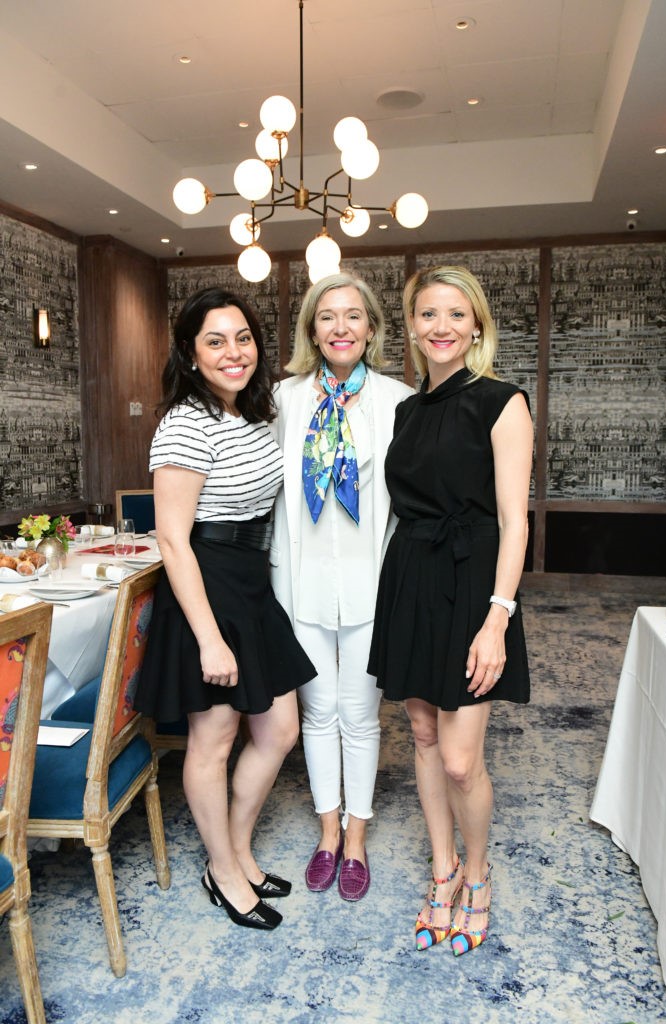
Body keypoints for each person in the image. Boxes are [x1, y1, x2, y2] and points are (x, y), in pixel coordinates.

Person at [134, 286, 315, 932]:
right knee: (212, 742)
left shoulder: (252, 412)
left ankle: (233, 851)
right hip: (206, 586)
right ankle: (223, 868)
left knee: (278, 730)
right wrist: (210, 639)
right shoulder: (184, 421)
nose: (233, 351)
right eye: (215, 340)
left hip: (250, 582)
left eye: (242, 337)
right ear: (189, 352)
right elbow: (173, 541)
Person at [368, 265, 533, 955]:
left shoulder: (502, 401)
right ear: (410, 327)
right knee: (424, 739)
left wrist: (496, 618)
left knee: (462, 759)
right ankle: (441, 871)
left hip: (473, 586)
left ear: (476, 327)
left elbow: (513, 520)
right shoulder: (405, 410)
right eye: (427, 315)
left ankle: (477, 874)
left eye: (455, 315)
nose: (440, 327)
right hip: (410, 576)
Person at [270, 272, 413, 900]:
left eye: (353, 316)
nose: (340, 328)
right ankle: (326, 829)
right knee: (316, 712)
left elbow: (409, 502)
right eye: (327, 317)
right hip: (300, 584)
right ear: (311, 330)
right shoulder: (282, 400)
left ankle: (356, 836)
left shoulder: (399, 400)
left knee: (359, 715)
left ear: (372, 329)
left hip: (371, 585)